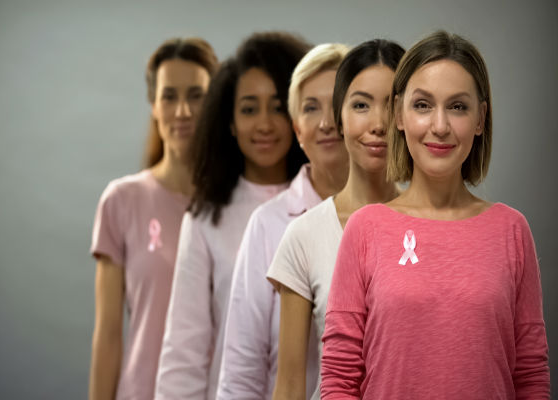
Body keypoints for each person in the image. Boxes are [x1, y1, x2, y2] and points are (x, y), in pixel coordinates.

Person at [321, 31, 550, 399]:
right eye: (423, 105)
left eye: (458, 106)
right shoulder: (366, 229)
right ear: (399, 114)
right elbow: (338, 378)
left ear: (480, 119)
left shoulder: (512, 230)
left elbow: (531, 376)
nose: (439, 126)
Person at [154, 31, 311, 400]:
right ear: (229, 121)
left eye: (278, 106)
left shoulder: (327, 205)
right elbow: (184, 351)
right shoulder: (208, 219)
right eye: (249, 108)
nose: (265, 124)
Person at [266, 39, 405, 400]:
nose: (378, 124)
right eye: (360, 105)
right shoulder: (304, 235)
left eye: (392, 105)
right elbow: (290, 387)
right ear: (340, 118)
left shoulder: (439, 226)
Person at [216, 43, 350, 400]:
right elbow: (241, 373)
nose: (327, 122)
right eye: (311, 108)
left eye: (340, 103)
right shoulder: (269, 224)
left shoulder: (407, 215)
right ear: (296, 128)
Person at [89, 38, 217, 400]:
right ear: (154, 105)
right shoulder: (121, 201)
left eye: (196, 95)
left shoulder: (239, 205)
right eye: (169, 96)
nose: (182, 111)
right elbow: (108, 335)